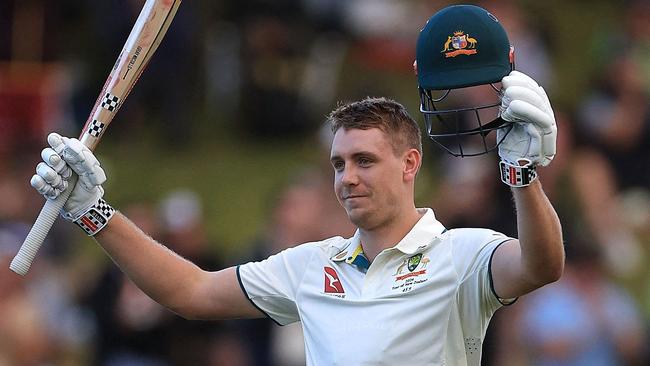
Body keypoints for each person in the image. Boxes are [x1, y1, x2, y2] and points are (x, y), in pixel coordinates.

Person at [28, 4, 563, 365]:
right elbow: (188, 291)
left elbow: (542, 265)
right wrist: (92, 210)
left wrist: (522, 178)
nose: (347, 178)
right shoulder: (311, 266)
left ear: (410, 164)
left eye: (364, 161)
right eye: (338, 164)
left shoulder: (462, 254)